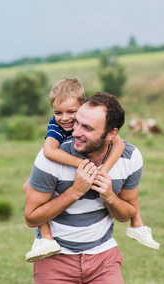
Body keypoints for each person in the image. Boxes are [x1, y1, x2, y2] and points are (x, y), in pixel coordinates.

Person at [25, 92, 159, 283]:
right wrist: (75, 192)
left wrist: (110, 196)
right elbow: (31, 218)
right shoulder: (51, 158)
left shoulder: (130, 158)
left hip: (104, 259)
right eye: (77, 122)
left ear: (111, 134)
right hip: (54, 260)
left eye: (87, 127)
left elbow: (125, 215)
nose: (75, 132)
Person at [23, 78, 126, 262]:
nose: (65, 118)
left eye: (71, 112)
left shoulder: (88, 121)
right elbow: (49, 150)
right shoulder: (56, 126)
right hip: (56, 172)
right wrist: (80, 164)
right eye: (57, 112)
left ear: (84, 107)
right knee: (27, 187)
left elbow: (119, 144)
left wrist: (103, 169)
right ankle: (45, 238)